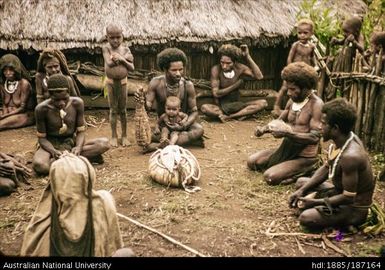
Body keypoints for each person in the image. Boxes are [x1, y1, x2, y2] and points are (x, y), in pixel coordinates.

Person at [288, 98, 375, 230]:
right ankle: (320, 209)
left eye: (323, 123)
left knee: (306, 218)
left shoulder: (350, 156)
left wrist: (315, 202)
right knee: (301, 183)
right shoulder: (345, 138)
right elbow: (326, 167)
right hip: (339, 191)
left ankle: (347, 222)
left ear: (335, 128)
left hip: (354, 207)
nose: (319, 127)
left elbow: (348, 198)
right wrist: (302, 191)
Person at [21, 153, 123, 256]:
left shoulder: (42, 225)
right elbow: (112, 248)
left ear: (55, 184)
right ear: (88, 178)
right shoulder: (103, 202)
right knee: (126, 253)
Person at [247, 62, 323, 185]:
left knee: (270, 177)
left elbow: (314, 137)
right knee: (253, 162)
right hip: (286, 149)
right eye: (288, 88)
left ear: (305, 88)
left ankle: (308, 168)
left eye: (293, 89)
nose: (288, 93)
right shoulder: (292, 101)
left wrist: (288, 134)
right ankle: (288, 167)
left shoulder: (316, 105)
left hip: (304, 156)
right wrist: (264, 129)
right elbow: (280, 121)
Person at [32, 74, 110, 175]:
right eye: (57, 100)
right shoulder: (41, 109)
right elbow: (42, 139)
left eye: (65, 98)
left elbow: (81, 132)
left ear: (69, 92)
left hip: (71, 142)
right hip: (51, 144)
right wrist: (53, 151)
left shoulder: (77, 103)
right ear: (49, 95)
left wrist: (78, 147)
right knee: (40, 165)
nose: (62, 103)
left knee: (104, 144)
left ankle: (63, 160)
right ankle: (81, 158)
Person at [135, 48, 204, 152]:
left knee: (199, 130)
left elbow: (194, 112)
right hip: (164, 125)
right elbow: (147, 108)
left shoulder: (188, 85)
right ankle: (182, 142)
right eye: (174, 70)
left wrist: (183, 125)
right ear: (165, 69)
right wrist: (141, 100)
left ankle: (158, 146)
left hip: (182, 124)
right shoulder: (156, 83)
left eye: (181, 69)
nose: (178, 73)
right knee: (148, 134)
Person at [200, 44, 267, 122]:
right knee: (204, 108)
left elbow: (259, 76)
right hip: (222, 107)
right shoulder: (216, 69)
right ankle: (240, 115)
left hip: (239, 105)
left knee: (263, 103)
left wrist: (247, 56)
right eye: (222, 62)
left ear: (235, 62)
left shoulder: (240, 68)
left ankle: (230, 117)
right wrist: (236, 85)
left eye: (228, 63)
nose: (224, 66)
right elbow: (216, 93)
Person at [272, 19, 317, 118]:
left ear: (311, 33)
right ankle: (276, 106)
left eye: (305, 33)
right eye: (299, 33)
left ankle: (301, 110)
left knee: (303, 91)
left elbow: (312, 58)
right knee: (284, 88)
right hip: (293, 71)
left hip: (304, 73)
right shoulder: (295, 45)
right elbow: (289, 58)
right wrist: (290, 70)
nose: (302, 35)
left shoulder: (311, 47)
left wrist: (314, 68)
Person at [102, 24, 135, 147]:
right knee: (113, 109)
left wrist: (121, 58)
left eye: (118, 37)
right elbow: (110, 63)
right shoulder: (106, 48)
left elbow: (132, 67)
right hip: (110, 83)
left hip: (123, 82)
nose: (115, 40)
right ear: (107, 37)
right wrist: (125, 59)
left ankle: (124, 136)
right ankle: (114, 136)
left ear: (122, 36)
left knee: (123, 110)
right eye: (112, 37)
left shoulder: (126, 50)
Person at [0, 54, 35, 131]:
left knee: (1, 124)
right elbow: (4, 105)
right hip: (8, 113)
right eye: (5, 70)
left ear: (16, 70)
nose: (7, 72)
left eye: (11, 69)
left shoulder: (24, 84)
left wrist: (4, 116)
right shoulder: (2, 85)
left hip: (24, 114)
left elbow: (22, 108)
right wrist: (4, 113)